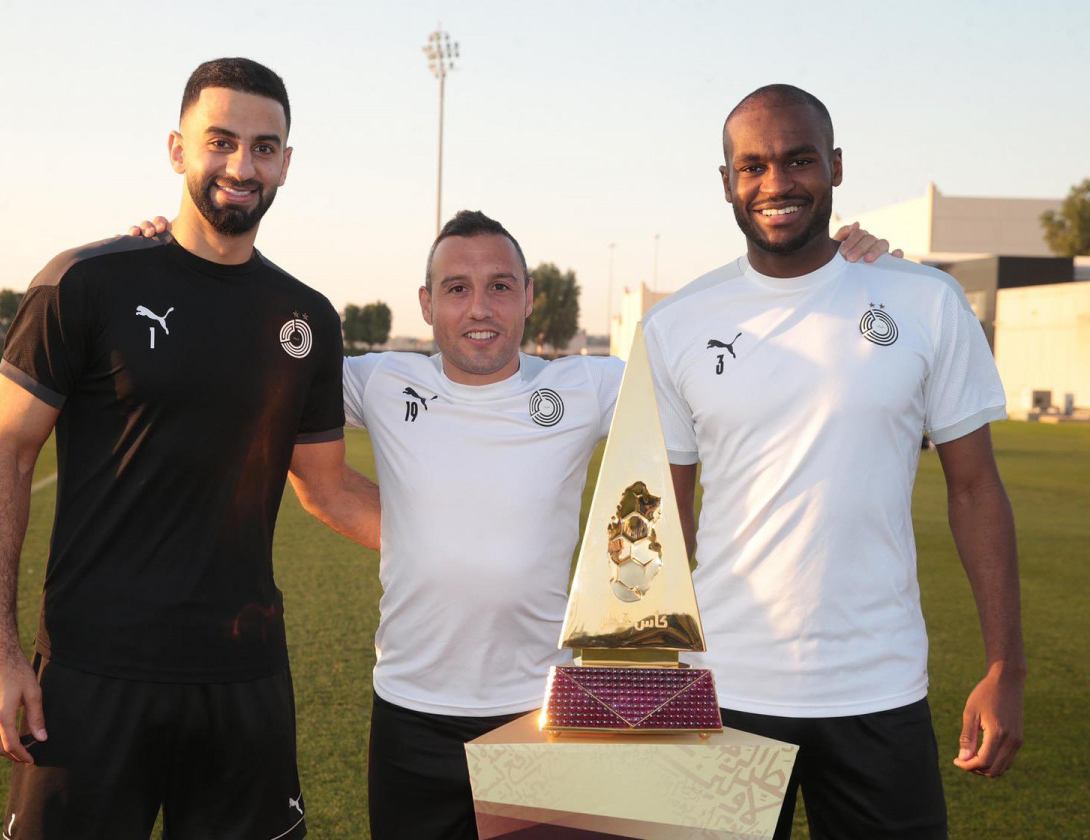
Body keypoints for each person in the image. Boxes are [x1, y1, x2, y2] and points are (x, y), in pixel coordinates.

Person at [129, 208, 893, 839]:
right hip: (410, 711)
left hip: (544, 715)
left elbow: (737, 367)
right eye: (456, 289)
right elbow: (246, 367)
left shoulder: (591, 385)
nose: (480, 308)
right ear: (426, 303)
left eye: (499, 287)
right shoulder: (378, 380)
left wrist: (828, 275)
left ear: (530, 296)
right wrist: (185, 265)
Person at [0, 57, 378, 840]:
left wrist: (476, 550)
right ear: (177, 148)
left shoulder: (306, 319)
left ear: (286, 163)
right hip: (93, 676)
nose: (240, 165)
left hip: (243, 676)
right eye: (219, 141)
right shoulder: (85, 283)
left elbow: (329, 489)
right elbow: (3, 457)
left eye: (263, 147)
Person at [644, 84, 1025, 840]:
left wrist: (1004, 666)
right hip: (724, 695)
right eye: (752, 166)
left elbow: (976, 490)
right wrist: (642, 671)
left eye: (799, 159)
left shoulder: (924, 301)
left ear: (836, 167)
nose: (776, 182)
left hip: (878, 690)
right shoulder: (676, 324)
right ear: (726, 182)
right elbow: (663, 520)